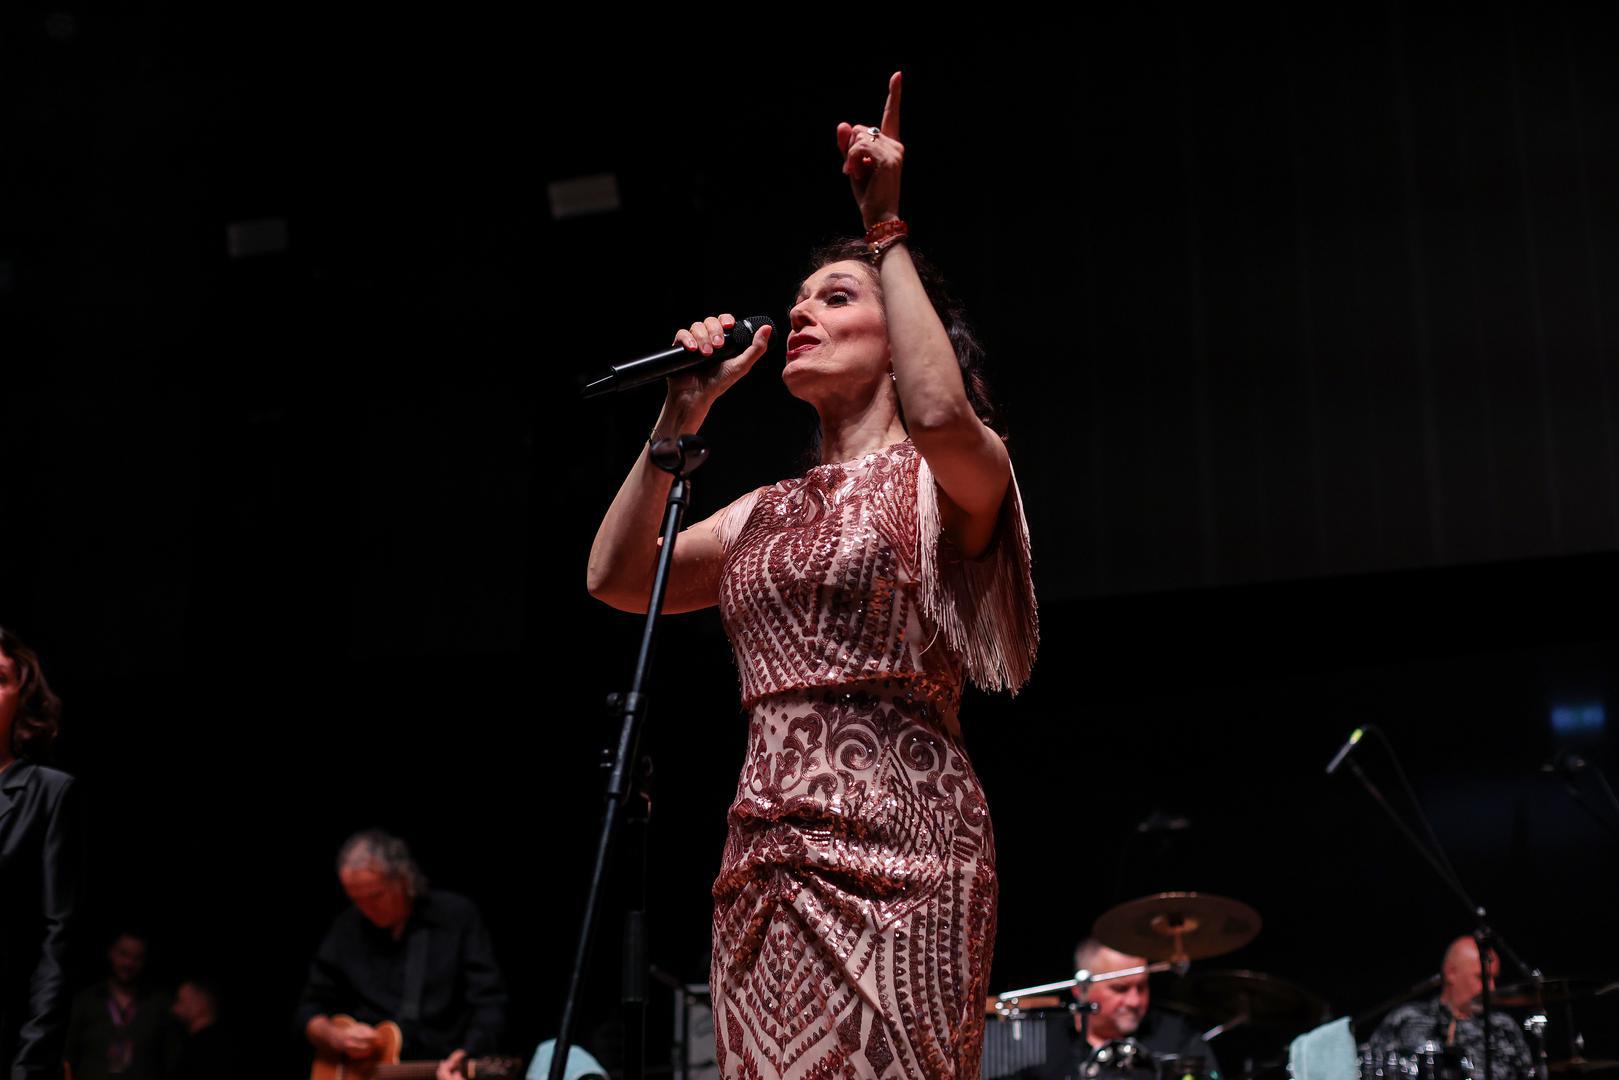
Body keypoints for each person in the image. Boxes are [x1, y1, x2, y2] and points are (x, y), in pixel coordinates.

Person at [587, 72, 1037, 1079]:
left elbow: (936, 412)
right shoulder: (764, 511)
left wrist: (884, 231)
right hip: (763, 867)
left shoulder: (951, 473)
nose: (800, 315)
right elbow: (616, 578)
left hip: (904, 858)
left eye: (835, 299)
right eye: (798, 301)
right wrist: (679, 414)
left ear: (903, 338)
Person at [295, 829, 508, 1080]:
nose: (367, 908)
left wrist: (469, 1051)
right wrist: (335, 1036)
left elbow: (489, 1001)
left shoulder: (456, 916)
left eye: (376, 896)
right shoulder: (346, 929)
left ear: (403, 879)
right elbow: (309, 1008)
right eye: (356, 900)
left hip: (440, 1065)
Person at [0, 627, 80, 1080]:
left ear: (22, 698)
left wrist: (30, 1064)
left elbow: (57, 943)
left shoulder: (48, 794)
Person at [1014, 939, 1221, 1080]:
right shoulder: (1037, 1046)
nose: (1134, 1001)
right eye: (1120, 989)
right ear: (1080, 990)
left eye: (1142, 987)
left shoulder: (1179, 1039)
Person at [1366, 936, 1535, 1080]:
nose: (1491, 987)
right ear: (1450, 972)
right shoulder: (1406, 1018)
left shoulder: (1503, 1027)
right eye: (1482, 977)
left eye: (1493, 979)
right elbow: (1369, 1068)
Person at [63, 930, 179, 1080]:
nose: (128, 963)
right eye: (123, 954)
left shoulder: (160, 1004)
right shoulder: (86, 1001)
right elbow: (67, 1056)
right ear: (111, 953)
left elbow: (172, 1060)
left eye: (137, 958)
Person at [170, 979, 227, 1080]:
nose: (175, 1009)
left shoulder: (203, 1049)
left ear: (202, 1002)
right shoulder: (189, 1044)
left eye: (181, 1002)